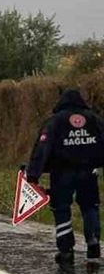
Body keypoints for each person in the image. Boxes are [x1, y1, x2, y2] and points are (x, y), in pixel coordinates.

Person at [26, 88, 104, 264]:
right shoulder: (94, 120)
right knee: (90, 206)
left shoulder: (55, 122)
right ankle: (93, 242)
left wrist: (33, 175)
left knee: (61, 208)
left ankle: (66, 250)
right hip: (89, 171)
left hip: (62, 173)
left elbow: (42, 148)